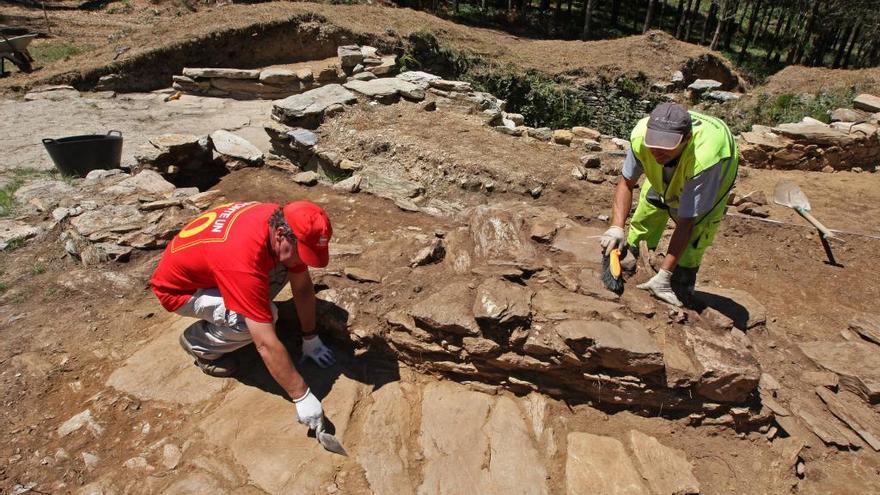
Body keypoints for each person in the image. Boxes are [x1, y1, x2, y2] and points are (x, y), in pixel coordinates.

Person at [150, 200, 336, 431]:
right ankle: (199, 344)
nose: (304, 260)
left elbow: (302, 286)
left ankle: (234, 313)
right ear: (280, 235)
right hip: (181, 291)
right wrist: (302, 396)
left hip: (214, 266)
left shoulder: (281, 220)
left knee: (285, 267)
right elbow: (265, 344)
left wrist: (310, 337)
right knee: (258, 320)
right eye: (303, 252)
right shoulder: (242, 260)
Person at [599, 102, 738, 306]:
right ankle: (636, 258)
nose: (657, 151)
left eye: (666, 146)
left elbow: (686, 222)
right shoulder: (640, 137)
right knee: (648, 211)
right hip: (674, 169)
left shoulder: (706, 158)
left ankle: (678, 281)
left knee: (697, 232)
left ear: (687, 139)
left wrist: (665, 275)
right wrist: (616, 227)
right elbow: (626, 183)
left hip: (713, 171)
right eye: (653, 143)